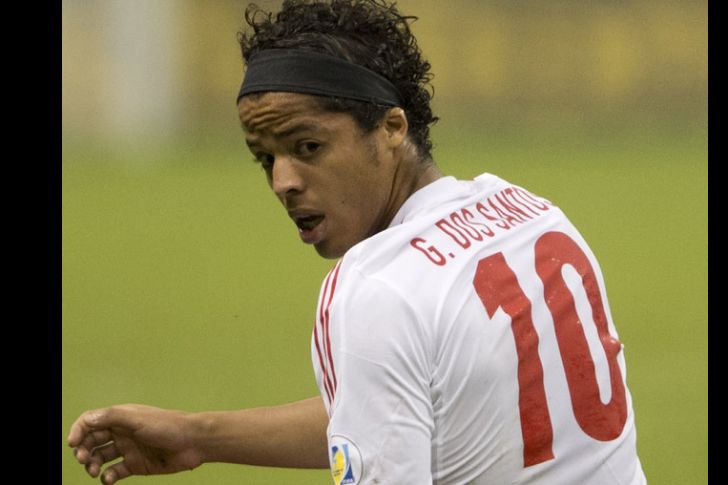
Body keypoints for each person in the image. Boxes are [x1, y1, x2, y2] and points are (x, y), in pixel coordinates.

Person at [67, 1, 647, 484]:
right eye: (265, 158)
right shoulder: (531, 215)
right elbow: (409, 406)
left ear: (392, 128)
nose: (283, 181)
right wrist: (199, 436)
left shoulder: (375, 285)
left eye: (308, 147)